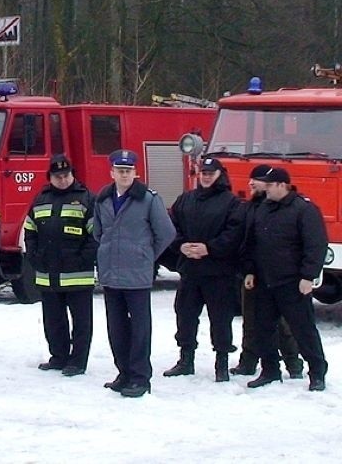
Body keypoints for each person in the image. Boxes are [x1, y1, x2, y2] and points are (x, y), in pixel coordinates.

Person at [93, 149, 176, 398]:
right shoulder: (103, 198)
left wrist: (145, 254)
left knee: (140, 328)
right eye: (120, 170)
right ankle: (124, 373)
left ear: (135, 172)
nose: (124, 174)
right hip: (111, 273)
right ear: (112, 172)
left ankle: (140, 377)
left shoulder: (148, 199)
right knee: (116, 327)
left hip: (136, 274)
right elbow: (98, 232)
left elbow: (166, 233)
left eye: (128, 171)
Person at [243, 167, 328, 391]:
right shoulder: (263, 208)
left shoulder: (304, 209)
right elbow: (253, 243)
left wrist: (308, 276)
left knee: (304, 330)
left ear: (282, 185)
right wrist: (250, 270)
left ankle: (317, 372)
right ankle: (270, 370)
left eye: (269, 185)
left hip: (293, 283)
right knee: (263, 329)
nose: (266, 189)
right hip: (264, 281)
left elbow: (316, 245)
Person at [163, 157, 245, 382]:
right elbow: (171, 226)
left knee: (221, 319)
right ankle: (185, 360)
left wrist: (209, 248)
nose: (206, 176)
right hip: (190, 271)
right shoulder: (185, 200)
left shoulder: (232, 203)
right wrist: (181, 245)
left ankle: (222, 363)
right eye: (203, 172)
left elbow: (235, 233)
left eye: (211, 172)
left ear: (220, 174)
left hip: (219, 272)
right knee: (185, 315)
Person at [24, 154, 97, 376]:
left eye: (66, 175)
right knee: (53, 321)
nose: (63, 180)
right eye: (58, 176)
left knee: (81, 322)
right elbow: (30, 230)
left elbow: (96, 236)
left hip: (77, 274)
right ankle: (58, 357)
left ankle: (77, 361)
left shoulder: (87, 199)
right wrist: (34, 256)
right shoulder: (40, 199)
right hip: (48, 274)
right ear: (50, 177)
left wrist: (83, 259)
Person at [230, 164, 304, 378]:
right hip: (250, 272)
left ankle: (293, 362)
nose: (251, 183)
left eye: (257, 179)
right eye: (251, 179)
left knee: (280, 323)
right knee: (251, 319)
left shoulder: (281, 207)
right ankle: (249, 361)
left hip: (275, 274)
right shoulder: (250, 206)